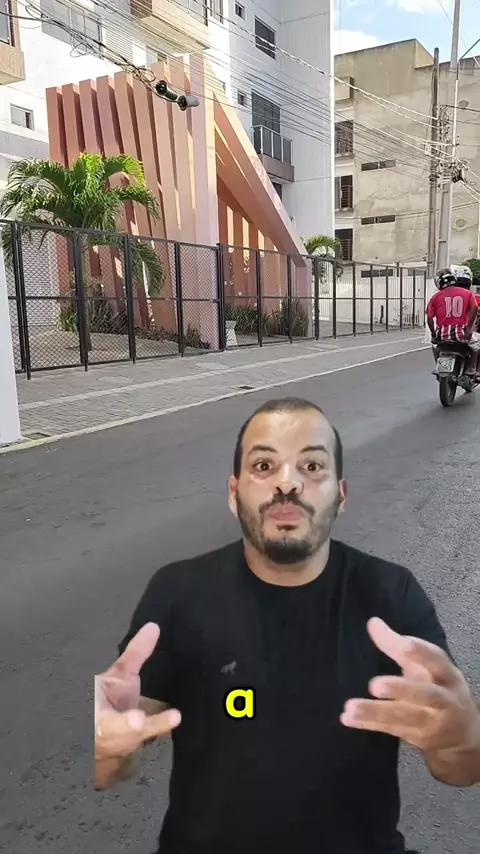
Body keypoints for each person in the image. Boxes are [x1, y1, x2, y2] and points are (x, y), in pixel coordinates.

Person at [95, 398, 480, 854]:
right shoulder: (177, 592)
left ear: (340, 494)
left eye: (312, 466)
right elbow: (112, 761)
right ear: (234, 493)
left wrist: (461, 738)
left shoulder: (392, 596)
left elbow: (461, 770)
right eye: (264, 465)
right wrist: (107, 748)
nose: (287, 482)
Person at [426, 267, 479, 377]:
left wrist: (433, 334)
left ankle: (438, 366)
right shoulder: (467, 294)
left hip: (441, 336)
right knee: (477, 346)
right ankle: (472, 369)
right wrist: (469, 328)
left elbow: (429, 318)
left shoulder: (435, 297)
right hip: (461, 334)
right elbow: (474, 307)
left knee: (435, 347)